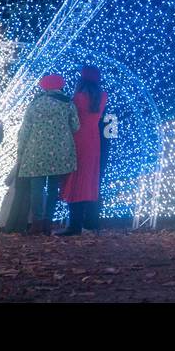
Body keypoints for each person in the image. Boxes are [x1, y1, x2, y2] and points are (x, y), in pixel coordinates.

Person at [12, 74, 79, 235]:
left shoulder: (35, 103)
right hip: (59, 152)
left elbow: (25, 130)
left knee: (37, 188)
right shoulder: (68, 103)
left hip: (35, 152)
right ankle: (48, 223)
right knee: (53, 188)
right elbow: (76, 126)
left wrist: (20, 151)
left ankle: (37, 223)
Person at [57, 66, 108, 236]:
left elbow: (72, 120)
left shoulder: (78, 98)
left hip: (78, 139)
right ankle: (90, 223)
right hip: (94, 141)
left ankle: (74, 225)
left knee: (75, 180)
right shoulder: (102, 97)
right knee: (89, 181)